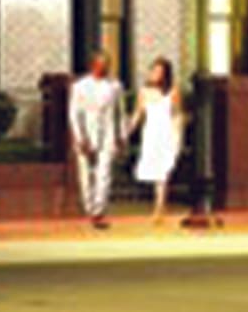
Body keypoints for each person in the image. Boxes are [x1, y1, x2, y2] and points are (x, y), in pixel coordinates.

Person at [69, 51, 126, 230]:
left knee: (104, 173)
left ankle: (98, 211)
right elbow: (73, 113)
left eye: (107, 64)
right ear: (93, 65)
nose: (105, 68)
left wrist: (121, 135)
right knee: (86, 175)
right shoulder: (80, 86)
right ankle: (89, 207)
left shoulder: (115, 86)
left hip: (107, 132)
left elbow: (120, 112)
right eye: (101, 64)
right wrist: (80, 136)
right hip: (86, 131)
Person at [125, 57, 184, 226]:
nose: (155, 74)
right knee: (154, 171)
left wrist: (178, 136)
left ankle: (159, 208)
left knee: (163, 172)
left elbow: (177, 114)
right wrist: (128, 131)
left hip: (167, 133)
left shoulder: (172, 91)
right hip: (151, 134)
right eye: (153, 70)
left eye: (159, 71)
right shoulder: (144, 92)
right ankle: (158, 206)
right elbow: (138, 114)